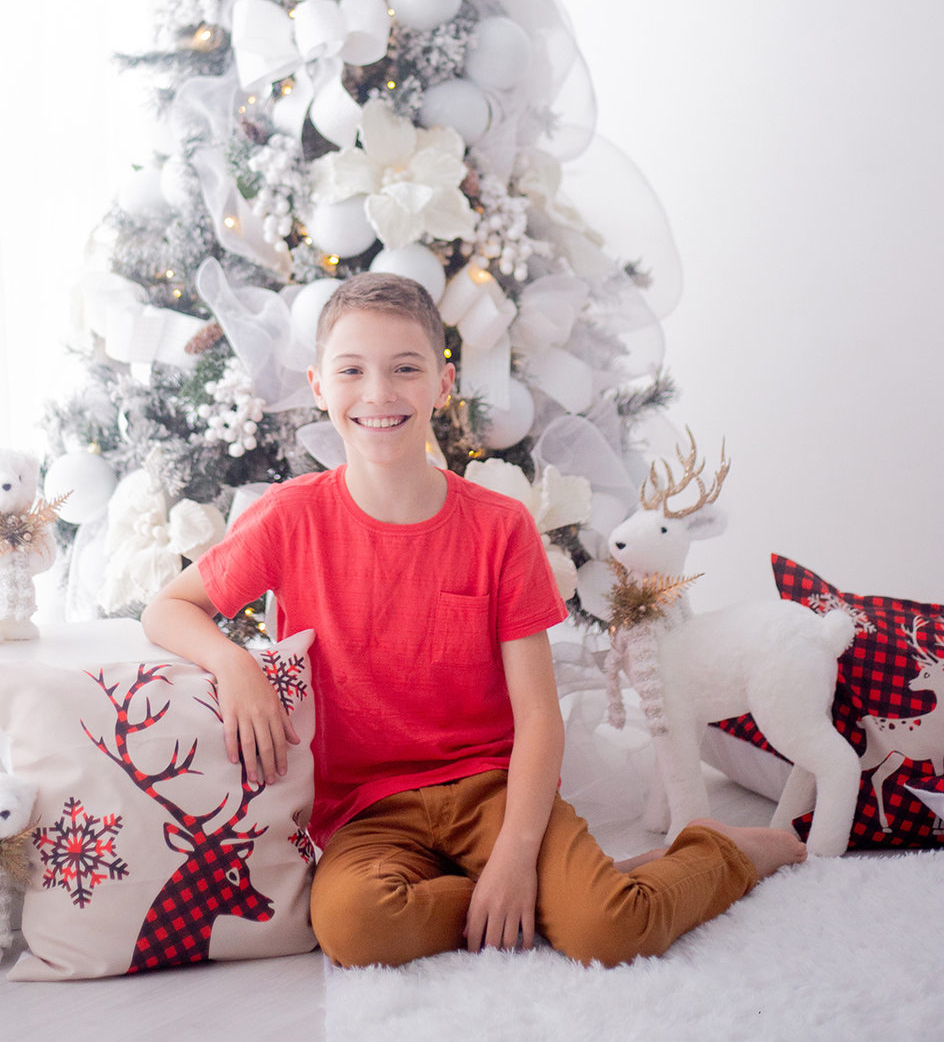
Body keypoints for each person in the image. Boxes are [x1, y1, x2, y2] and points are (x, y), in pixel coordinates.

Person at [142, 271, 805, 968]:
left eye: (405, 369)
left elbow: (540, 718)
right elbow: (169, 608)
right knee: (354, 929)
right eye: (351, 371)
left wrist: (518, 857)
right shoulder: (289, 517)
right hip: (368, 810)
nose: (378, 393)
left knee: (611, 933)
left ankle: (721, 851)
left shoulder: (500, 528)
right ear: (318, 386)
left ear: (443, 382)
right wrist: (232, 661)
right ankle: (570, 889)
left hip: (494, 787)